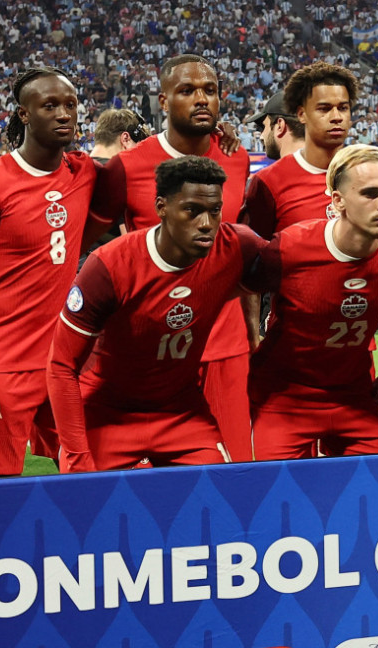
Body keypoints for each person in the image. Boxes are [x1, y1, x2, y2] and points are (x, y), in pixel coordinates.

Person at [0, 67, 107, 476]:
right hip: (4, 356)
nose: (64, 114)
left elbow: (145, 167)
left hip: (67, 356)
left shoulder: (85, 173)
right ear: (24, 114)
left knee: (85, 472)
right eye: (50, 105)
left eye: (70, 105)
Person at [48, 157, 264, 472]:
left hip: (180, 413)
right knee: (89, 512)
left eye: (214, 211)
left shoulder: (235, 246)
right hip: (107, 414)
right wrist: (78, 456)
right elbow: (61, 365)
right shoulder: (109, 267)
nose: (206, 223)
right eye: (192, 211)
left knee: (223, 503)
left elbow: (301, 269)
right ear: (161, 207)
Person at [93, 54, 255, 461]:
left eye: (210, 91)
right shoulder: (127, 168)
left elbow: (246, 248)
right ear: (163, 102)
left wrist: (252, 323)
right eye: (187, 91)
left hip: (222, 343)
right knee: (143, 490)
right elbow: (89, 243)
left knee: (233, 474)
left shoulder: (236, 157)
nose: (201, 99)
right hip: (149, 350)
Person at [246, 145, 378, 459]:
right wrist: (250, 338)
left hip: (353, 395)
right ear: (337, 200)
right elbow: (241, 285)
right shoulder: (291, 248)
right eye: (370, 194)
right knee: (272, 496)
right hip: (283, 400)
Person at [239, 63, 357, 238]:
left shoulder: (373, 174)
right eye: (324, 109)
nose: (336, 117)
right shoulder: (268, 183)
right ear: (301, 115)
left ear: (279, 125)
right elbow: (255, 251)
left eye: (343, 108)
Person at [82, 108, 150, 264]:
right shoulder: (122, 178)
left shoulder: (74, 171)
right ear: (125, 139)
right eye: (138, 145)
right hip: (110, 270)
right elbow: (128, 243)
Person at [243, 90, 305, 161]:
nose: (261, 136)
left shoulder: (271, 172)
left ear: (280, 126)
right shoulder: (319, 167)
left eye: (265, 126)